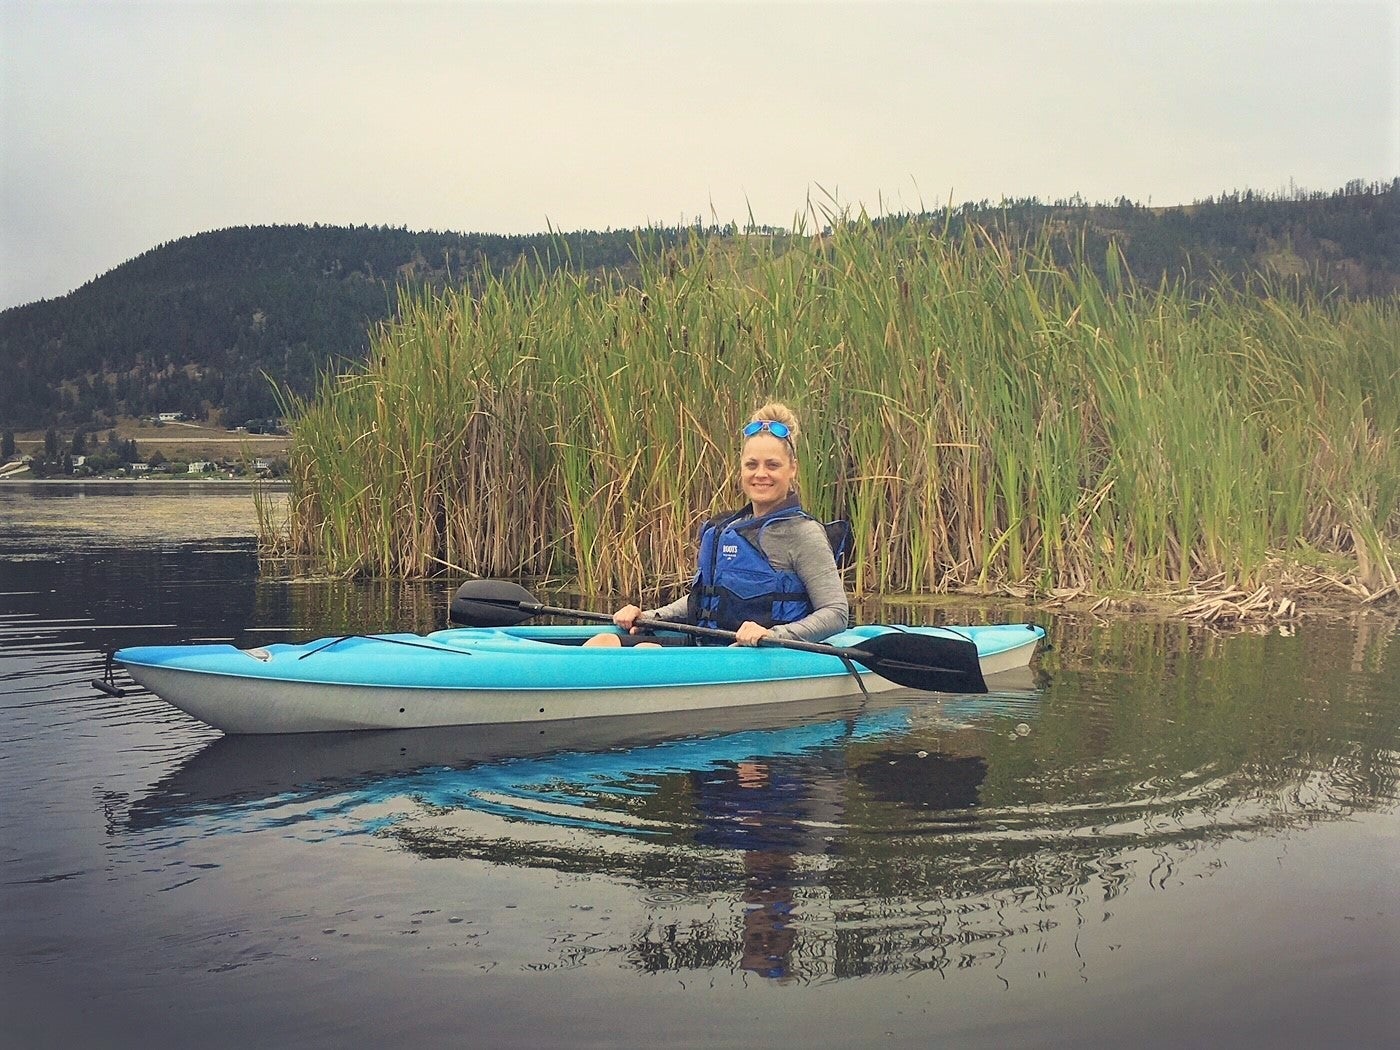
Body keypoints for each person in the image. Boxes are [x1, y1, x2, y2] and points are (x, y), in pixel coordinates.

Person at [602, 402, 848, 647]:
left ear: (792, 468)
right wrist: (649, 617)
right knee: (605, 640)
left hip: (763, 657)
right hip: (711, 648)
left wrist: (774, 635)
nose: (761, 474)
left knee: (646, 651)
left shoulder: (803, 534)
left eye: (772, 465)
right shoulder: (730, 527)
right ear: (741, 468)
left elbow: (836, 613)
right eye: (752, 464)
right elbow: (705, 600)